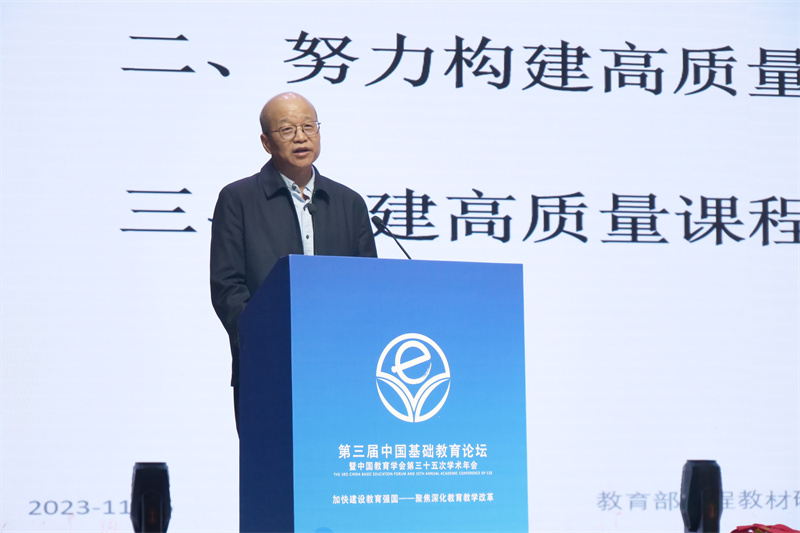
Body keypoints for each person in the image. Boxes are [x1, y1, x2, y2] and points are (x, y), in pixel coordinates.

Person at [210, 92, 377, 427]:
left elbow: (369, 286)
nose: (301, 137)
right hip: (266, 368)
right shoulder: (238, 200)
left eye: (308, 126)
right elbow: (227, 286)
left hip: (340, 371)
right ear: (266, 142)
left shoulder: (349, 203)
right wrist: (264, 339)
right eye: (287, 129)